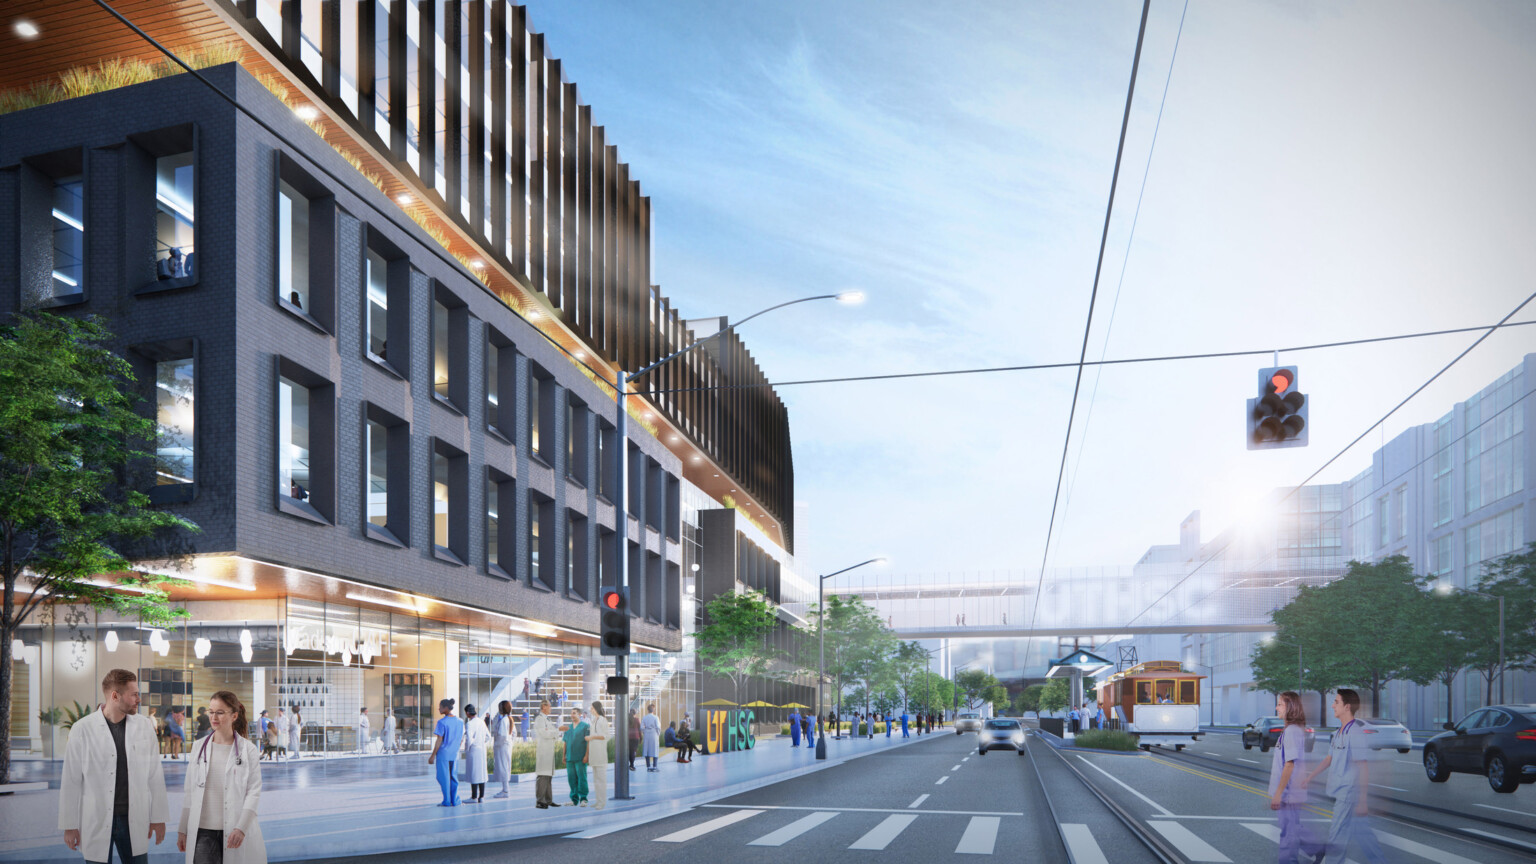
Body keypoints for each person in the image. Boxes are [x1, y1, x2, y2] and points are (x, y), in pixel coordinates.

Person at [60, 670, 169, 864]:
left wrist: (158, 818)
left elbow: (155, 776)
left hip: (134, 818)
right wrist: (70, 825)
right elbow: (71, 781)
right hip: (96, 818)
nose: (138, 699)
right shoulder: (82, 729)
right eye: (134, 694)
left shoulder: (144, 727)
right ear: (115, 696)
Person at [176, 691, 265, 864]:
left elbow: (253, 792)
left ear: (234, 716)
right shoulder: (198, 747)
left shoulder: (248, 750)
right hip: (203, 833)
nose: (213, 717)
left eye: (220, 712)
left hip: (236, 830)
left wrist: (241, 828)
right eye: (211, 711)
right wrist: (182, 829)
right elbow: (189, 792)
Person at [1305, 689, 1388, 864]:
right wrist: (1309, 777)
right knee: (1363, 834)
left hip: (1348, 793)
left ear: (1347, 706)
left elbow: (1362, 766)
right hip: (1341, 791)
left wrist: (1363, 801)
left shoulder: (1355, 733)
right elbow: (1329, 759)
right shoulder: (1337, 734)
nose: (1333, 705)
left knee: (1336, 836)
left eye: (1336, 702)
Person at [1268, 691, 1323, 864]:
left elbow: (1289, 764)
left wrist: (1278, 793)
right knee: (1292, 828)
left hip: (1288, 793)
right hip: (1289, 791)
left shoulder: (1291, 731)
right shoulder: (1289, 730)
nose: (1276, 707)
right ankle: (1317, 848)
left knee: (1288, 832)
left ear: (1290, 707)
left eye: (1280, 704)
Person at [426, 699, 463, 807]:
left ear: (446, 708)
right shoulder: (460, 721)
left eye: (440, 707)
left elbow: (439, 740)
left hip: (443, 754)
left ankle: (447, 801)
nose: (439, 709)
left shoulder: (442, 722)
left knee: (443, 777)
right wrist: (455, 748)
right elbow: (461, 739)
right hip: (454, 753)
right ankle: (455, 800)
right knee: (453, 777)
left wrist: (432, 756)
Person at [532, 700, 563, 809]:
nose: (551, 708)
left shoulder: (547, 719)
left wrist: (555, 732)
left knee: (548, 776)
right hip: (544, 751)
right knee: (543, 776)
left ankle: (548, 800)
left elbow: (552, 732)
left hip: (548, 751)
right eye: (549, 706)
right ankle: (540, 801)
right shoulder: (540, 719)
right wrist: (556, 731)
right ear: (544, 706)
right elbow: (544, 733)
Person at [462, 705, 489, 804]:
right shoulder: (482, 722)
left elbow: (469, 738)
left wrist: (467, 749)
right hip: (482, 749)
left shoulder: (470, 724)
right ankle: (481, 797)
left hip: (473, 750)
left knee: (474, 774)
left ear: (467, 713)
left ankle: (473, 797)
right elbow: (488, 736)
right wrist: (481, 742)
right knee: (481, 773)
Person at [563, 708, 590, 806]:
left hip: (580, 757)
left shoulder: (585, 727)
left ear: (579, 714)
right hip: (570, 758)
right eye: (571, 713)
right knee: (571, 779)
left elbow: (588, 742)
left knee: (582, 778)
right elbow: (565, 742)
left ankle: (583, 799)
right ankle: (574, 800)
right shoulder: (568, 728)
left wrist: (587, 756)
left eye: (574, 713)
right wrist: (564, 756)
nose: (572, 715)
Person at [586, 702, 610, 810]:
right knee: (596, 780)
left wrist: (592, 737)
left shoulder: (602, 720)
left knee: (601, 780)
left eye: (592, 708)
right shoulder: (594, 720)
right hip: (594, 755)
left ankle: (602, 802)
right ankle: (598, 801)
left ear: (596, 708)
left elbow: (605, 736)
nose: (590, 709)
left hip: (600, 755)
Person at [491, 701, 513, 799]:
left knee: (503, 767)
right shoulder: (508, 719)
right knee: (505, 766)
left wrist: (496, 744)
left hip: (502, 746)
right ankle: (505, 788)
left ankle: (506, 790)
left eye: (499, 707)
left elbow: (502, 735)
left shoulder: (504, 720)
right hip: (506, 746)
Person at [641, 704, 661, 772]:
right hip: (654, 733)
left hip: (647, 733)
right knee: (655, 749)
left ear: (648, 710)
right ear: (653, 710)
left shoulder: (644, 717)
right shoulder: (656, 717)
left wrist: (644, 732)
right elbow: (658, 727)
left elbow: (641, 727)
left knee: (647, 750)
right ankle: (655, 766)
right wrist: (658, 733)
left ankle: (648, 766)